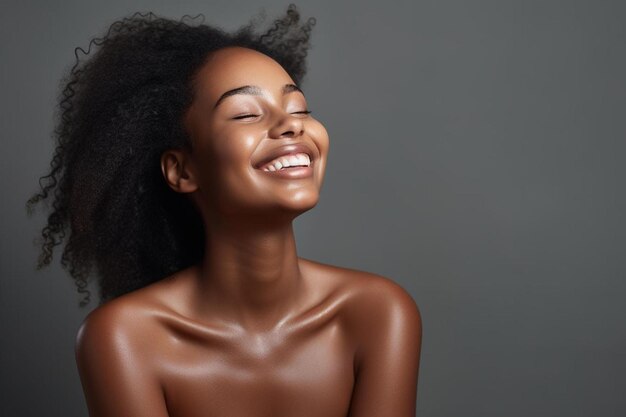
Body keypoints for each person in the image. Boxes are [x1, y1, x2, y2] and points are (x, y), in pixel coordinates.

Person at [26, 5, 422, 416]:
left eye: (300, 109)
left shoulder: (378, 313)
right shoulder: (125, 338)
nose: (292, 126)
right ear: (182, 170)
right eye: (246, 114)